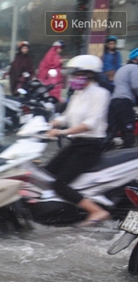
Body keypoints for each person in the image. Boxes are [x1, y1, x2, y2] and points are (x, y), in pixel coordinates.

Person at [45, 55, 111, 227]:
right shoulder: (77, 94)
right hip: (75, 144)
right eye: (73, 75)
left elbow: (90, 123)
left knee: (60, 184)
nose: (73, 78)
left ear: (89, 75)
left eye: (77, 74)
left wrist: (62, 131)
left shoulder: (101, 94)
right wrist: (49, 124)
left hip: (90, 146)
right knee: (45, 173)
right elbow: (66, 117)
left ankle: (96, 210)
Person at [107, 48, 138, 149]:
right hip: (124, 102)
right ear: (136, 58)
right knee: (128, 130)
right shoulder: (134, 68)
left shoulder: (122, 68)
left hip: (114, 101)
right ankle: (127, 159)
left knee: (112, 130)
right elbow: (136, 86)